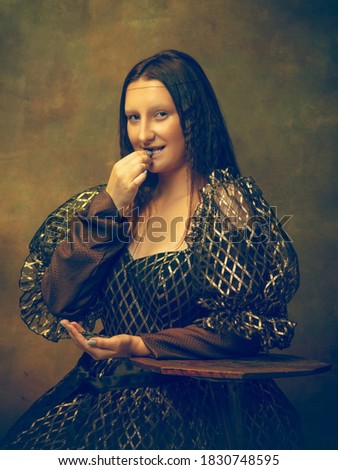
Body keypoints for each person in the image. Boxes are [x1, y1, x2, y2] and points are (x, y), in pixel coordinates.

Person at [1, 50, 301, 450]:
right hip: (105, 398)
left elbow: (243, 329)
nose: (143, 134)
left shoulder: (228, 205)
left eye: (160, 114)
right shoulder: (112, 203)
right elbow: (59, 299)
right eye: (133, 117)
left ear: (191, 119)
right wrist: (110, 205)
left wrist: (140, 345)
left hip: (194, 409)